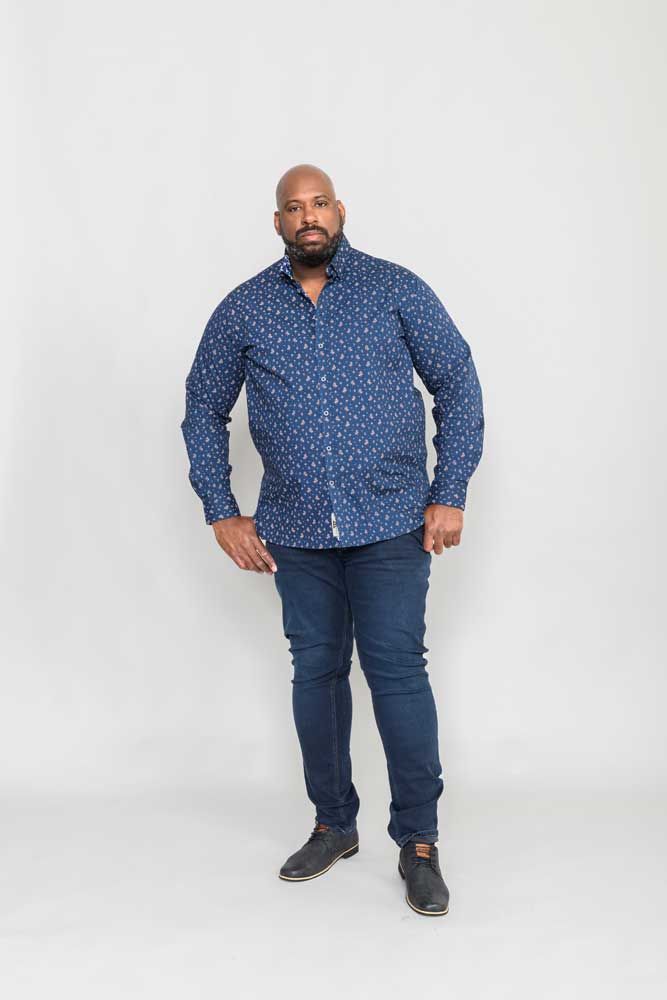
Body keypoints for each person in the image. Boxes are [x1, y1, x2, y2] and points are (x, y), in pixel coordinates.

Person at [180, 163, 484, 916]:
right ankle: (333, 824)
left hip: (391, 522)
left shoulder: (393, 288)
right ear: (277, 222)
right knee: (315, 672)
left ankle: (418, 842)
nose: (307, 216)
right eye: (293, 207)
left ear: (340, 211)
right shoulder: (245, 308)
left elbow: (457, 381)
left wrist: (449, 492)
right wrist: (222, 510)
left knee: (396, 672)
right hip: (296, 529)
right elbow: (202, 406)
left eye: (318, 203)